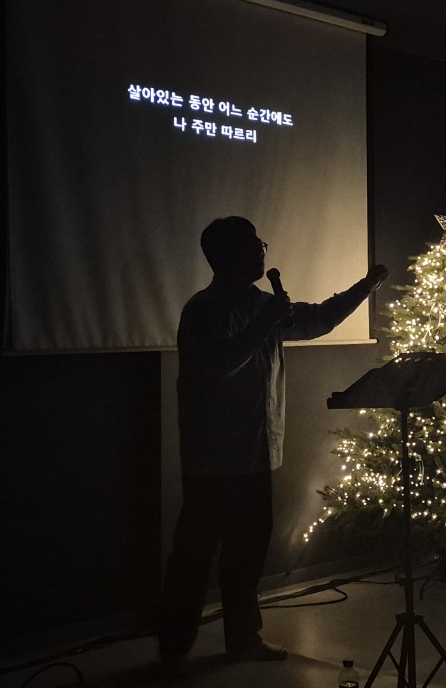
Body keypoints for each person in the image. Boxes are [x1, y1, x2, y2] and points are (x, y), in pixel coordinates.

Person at [158, 216, 388, 666]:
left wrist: (364, 287)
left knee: (246, 554)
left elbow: (317, 320)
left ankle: (243, 639)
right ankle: (173, 649)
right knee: (194, 554)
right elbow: (222, 364)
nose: (261, 250)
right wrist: (266, 320)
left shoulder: (263, 304)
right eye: (252, 244)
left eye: (260, 243)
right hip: (214, 458)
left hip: (257, 453)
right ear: (225, 256)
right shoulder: (203, 309)